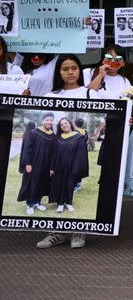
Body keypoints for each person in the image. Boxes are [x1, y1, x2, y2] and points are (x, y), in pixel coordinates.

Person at [35, 54, 95, 250]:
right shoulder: (50, 97)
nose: (70, 72)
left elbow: (114, 116)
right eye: (65, 69)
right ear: (58, 72)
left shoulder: (91, 94)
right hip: (57, 150)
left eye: (74, 68)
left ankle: (79, 231)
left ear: (79, 70)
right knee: (56, 184)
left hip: (75, 151)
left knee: (72, 181)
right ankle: (56, 233)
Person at [17, 115, 55, 215]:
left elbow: (53, 153)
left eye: (51, 120)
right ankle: (30, 204)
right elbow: (28, 149)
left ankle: (37, 202)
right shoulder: (35, 132)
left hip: (46, 165)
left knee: (42, 183)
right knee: (32, 183)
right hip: (34, 163)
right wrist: (28, 163)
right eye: (47, 120)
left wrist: (52, 167)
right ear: (43, 120)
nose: (49, 122)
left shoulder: (52, 135)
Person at [50, 118, 87, 213]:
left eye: (65, 123)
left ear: (70, 124)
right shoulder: (58, 138)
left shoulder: (79, 136)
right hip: (60, 166)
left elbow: (81, 153)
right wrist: (52, 167)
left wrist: (77, 167)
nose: (64, 125)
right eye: (61, 125)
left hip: (72, 166)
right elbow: (54, 153)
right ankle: (60, 204)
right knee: (60, 184)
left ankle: (69, 203)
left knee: (70, 185)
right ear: (60, 127)